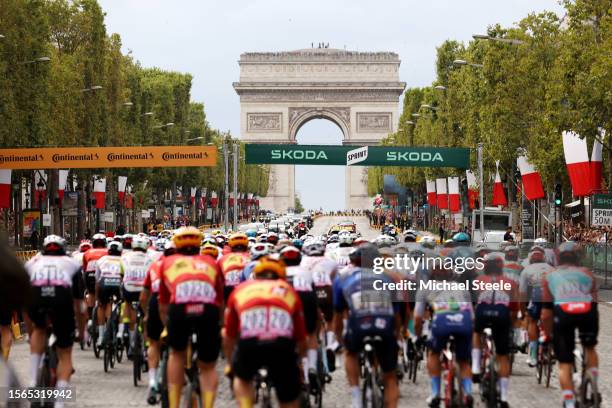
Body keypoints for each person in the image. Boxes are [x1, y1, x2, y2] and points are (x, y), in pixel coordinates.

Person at [223, 256, 307, 408]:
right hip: (281, 345)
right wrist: (299, 361)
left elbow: (229, 334)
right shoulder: (287, 289)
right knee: (289, 397)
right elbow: (301, 336)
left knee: (242, 379)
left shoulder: (241, 289)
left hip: (250, 344)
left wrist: (230, 363)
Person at [158, 227, 223, 408]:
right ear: (199, 244)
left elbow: (163, 305)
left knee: (176, 354)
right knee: (208, 366)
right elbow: (220, 300)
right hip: (207, 311)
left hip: (179, 310)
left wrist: (167, 326)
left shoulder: (168, 263)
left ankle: (173, 403)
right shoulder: (212, 263)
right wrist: (220, 325)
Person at [333, 244, 400, 408]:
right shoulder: (388, 277)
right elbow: (396, 313)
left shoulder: (342, 277)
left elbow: (337, 315)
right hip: (384, 324)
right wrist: (397, 334)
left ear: (354, 262)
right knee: (390, 376)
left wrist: (339, 339)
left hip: (359, 324)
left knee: (350, 353)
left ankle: (356, 398)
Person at [25, 235, 85, 405]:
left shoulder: (32, 262)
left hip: (36, 297)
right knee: (65, 353)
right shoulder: (71, 264)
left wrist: (31, 332)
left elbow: (23, 304)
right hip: (61, 299)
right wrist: (81, 332)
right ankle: (59, 402)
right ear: (63, 250)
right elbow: (79, 306)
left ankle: (32, 381)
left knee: (39, 328)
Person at [541, 241, 598, 408]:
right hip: (587, 312)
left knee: (564, 363)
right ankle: (593, 379)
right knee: (590, 347)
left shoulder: (550, 276)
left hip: (563, 313)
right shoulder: (588, 274)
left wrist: (548, 333)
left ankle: (569, 400)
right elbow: (594, 301)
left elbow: (546, 312)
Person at [414, 256, 474, 408]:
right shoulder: (462, 288)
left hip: (441, 322)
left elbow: (417, 317)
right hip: (464, 321)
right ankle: (467, 393)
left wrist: (419, 336)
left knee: (434, 353)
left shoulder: (425, 288)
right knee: (464, 360)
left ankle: (435, 394)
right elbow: (472, 317)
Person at [472, 252, 519, 408]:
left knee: (476, 333)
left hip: (482, 313)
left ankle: (476, 367)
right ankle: (504, 397)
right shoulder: (510, 282)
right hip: (502, 316)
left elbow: (473, 304)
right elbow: (514, 308)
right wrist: (511, 324)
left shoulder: (479, 280)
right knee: (503, 356)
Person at [280, 246, 320, 390]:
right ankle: (312, 367)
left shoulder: (279, 272)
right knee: (311, 333)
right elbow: (314, 293)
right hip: (306, 296)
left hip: (285, 297)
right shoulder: (306, 271)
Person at [141, 240, 176, 403]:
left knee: (153, 343)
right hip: (177, 302)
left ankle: (153, 380)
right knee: (178, 346)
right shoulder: (184, 265)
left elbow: (144, 295)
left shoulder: (155, 266)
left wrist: (146, 312)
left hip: (156, 301)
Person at [519, 247, 553, 367]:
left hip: (536, 295)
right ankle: (551, 345)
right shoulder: (552, 269)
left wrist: (523, 312)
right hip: (551, 297)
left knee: (532, 321)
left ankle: (533, 355)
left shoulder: (526, 270)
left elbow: (522, 293)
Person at [119, 235, 153, 354]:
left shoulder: (125, 257)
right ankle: (147, 343)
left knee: (127, 304)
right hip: (144, 289)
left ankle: (128, 334)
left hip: (129, 288)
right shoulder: (150, 258)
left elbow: (122, 275)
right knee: (147, 313)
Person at [94, 241, 123, 348]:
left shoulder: (102, 260)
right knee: (123, 306)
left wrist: (97, 298)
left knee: (101, 306)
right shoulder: (123, 260)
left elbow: (97, 280)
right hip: (118, 285)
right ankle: (119, 333)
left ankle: (101, 336)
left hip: (104, 283)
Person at [82, 233, 108, 338]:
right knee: (105, 301)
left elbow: (84, 268)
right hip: (103, 277)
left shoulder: (87, 252)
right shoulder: (107, 252)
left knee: (91, 293)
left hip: (89, 275)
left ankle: (90, 320)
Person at [217, 232, 250, 301]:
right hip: (248, 290)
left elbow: (219, 281)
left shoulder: (223, 259)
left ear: (230, 246)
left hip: (229, 291)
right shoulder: (252, 258)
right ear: (246, 246)